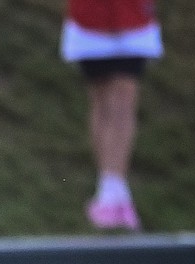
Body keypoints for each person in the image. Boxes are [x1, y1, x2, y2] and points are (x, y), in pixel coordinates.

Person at [60, 0, 163, 231]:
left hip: (133, 18)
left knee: (124, 99)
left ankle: (114, 188)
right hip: (90, 20)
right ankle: (108, 186)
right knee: (101, 101)